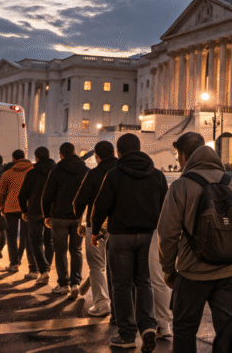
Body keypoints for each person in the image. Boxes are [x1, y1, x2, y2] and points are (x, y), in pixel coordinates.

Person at [158, 132, 232, 353]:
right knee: (226, 330)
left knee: (185, 329)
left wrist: (168, 268)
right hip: (228, 272)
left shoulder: (180, 186)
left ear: (185, 156)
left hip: (192, 273)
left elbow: (168, 234)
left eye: (178, 156)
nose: (178, 161)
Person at [91, 133, 168, 350]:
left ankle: (126, 335)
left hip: (120, 237)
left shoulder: (114, 174)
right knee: (144, 282)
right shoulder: (157, 175)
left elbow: (101, 206)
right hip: (148, 236)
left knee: (121, 286)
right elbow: (165, 207)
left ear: (119, 152)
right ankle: (148, 326)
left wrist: (95, 231)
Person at [74, 140, 117, 318]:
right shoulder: (122, 171)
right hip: (119, 226)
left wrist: (80, 222)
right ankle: (119, 305)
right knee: (117, 266)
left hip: (96, 225)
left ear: (97, 157)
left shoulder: (94, 174)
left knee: (96, 265)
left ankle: (102, 304)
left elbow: (80, 201)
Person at [42, 141, 88, 297]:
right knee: (76, 250)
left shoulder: (56, 171)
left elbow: (47, 196)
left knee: (60, 251)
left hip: (59, 217)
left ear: (61, 155)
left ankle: (63, 284)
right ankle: (75, 283)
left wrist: (47, 215)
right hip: (78, 218)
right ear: (74, 152)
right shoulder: (85, 170)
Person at [19, 146, 54, 283]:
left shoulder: (32, 173)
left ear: (36, 158)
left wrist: (24, 211)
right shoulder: (55, 171)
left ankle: (43, 270)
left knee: (35, 241)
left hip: (34, 211)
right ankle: (46, 269)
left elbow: (22, 195)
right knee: (49, 241)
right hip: (51, 212)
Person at [0, 149, 33, 274]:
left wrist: (1, 206)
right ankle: (28, 264)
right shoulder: (32, 170)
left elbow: (0, 192)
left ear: (13, 159)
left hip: (10, 207)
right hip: (27, 207)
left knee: (11, 236)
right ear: (24, 157)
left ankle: (14, 263)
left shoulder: (8, 173)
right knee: (26, 236)